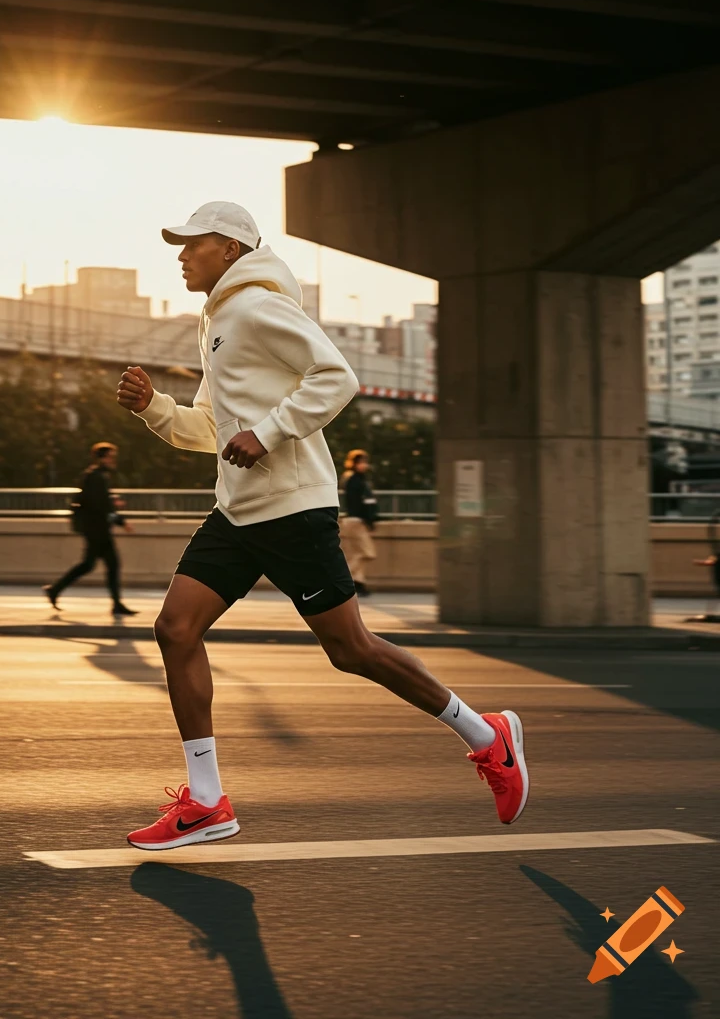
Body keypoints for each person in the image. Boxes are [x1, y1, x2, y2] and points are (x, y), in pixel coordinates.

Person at [116, 201, 529, 850]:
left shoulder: (258, 306)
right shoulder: (218, 320)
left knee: (351, 650)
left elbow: (338, 376)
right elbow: (214, 432)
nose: (180, 254)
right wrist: (155, 409)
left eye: (191, 243)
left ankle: (488, 736)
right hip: (237, 510)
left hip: (291, 510)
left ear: (228, 248)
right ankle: (206, 800)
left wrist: (270, 431)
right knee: (174, 628)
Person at [42, 442, 137, 618]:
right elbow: (101, 506)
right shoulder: (96, 477)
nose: (112, 460)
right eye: (110, 456)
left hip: (95, 529)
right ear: (102, 458)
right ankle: (115, 604)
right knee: (108, 565)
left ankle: (55, 590)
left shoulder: (97, 476)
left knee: (90, 565)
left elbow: (101, 503)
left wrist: (113, 509)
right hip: (97, 530)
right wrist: (121, 521)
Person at [340, 448, 378, 597]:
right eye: (361, 462)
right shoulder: (356, 480)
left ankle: (359, 584)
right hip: (356, 521)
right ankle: (346, 577)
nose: (364, 465)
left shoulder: (353, 478)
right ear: (354, 463)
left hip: (352, 521)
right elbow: (362, 503)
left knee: (356, 553)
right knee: (367, 552)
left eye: (365, 462)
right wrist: (369, 519)